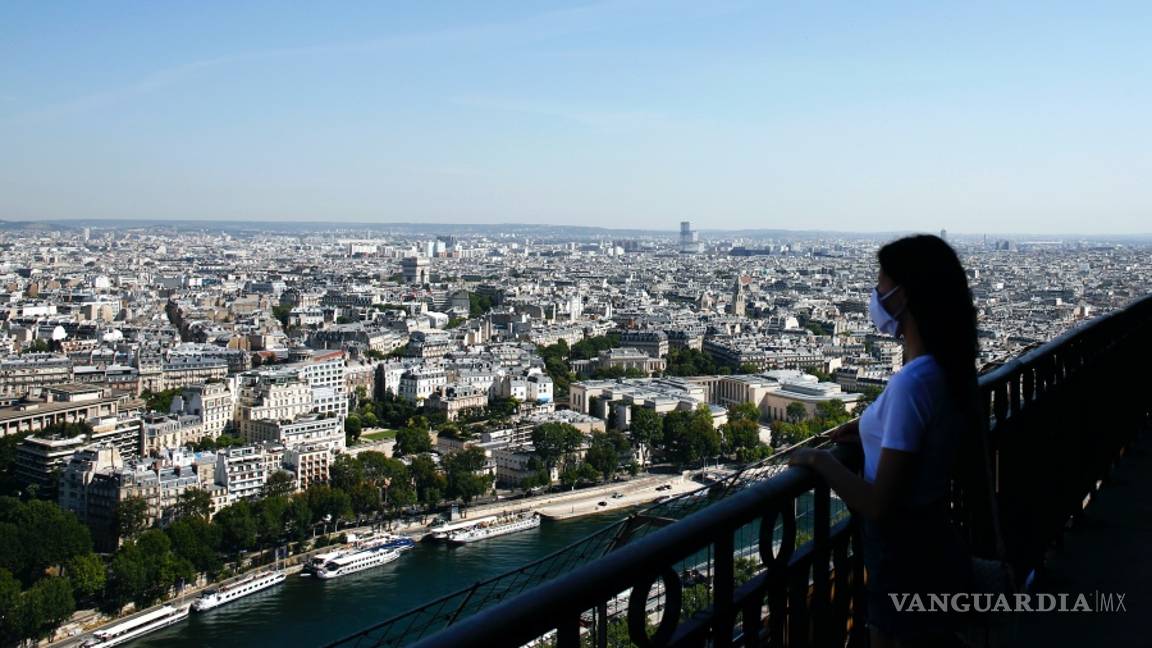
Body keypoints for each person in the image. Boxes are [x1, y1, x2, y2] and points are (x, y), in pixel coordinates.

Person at [789, 234, 977, 647]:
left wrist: (818, 461)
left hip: (902, 556)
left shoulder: (913, 380)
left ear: (904, 295)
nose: (875, 295)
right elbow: (923, 434)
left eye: (880, 284)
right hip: (934, 538)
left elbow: (879, 503)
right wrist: (870, 429)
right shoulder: (948, 367)